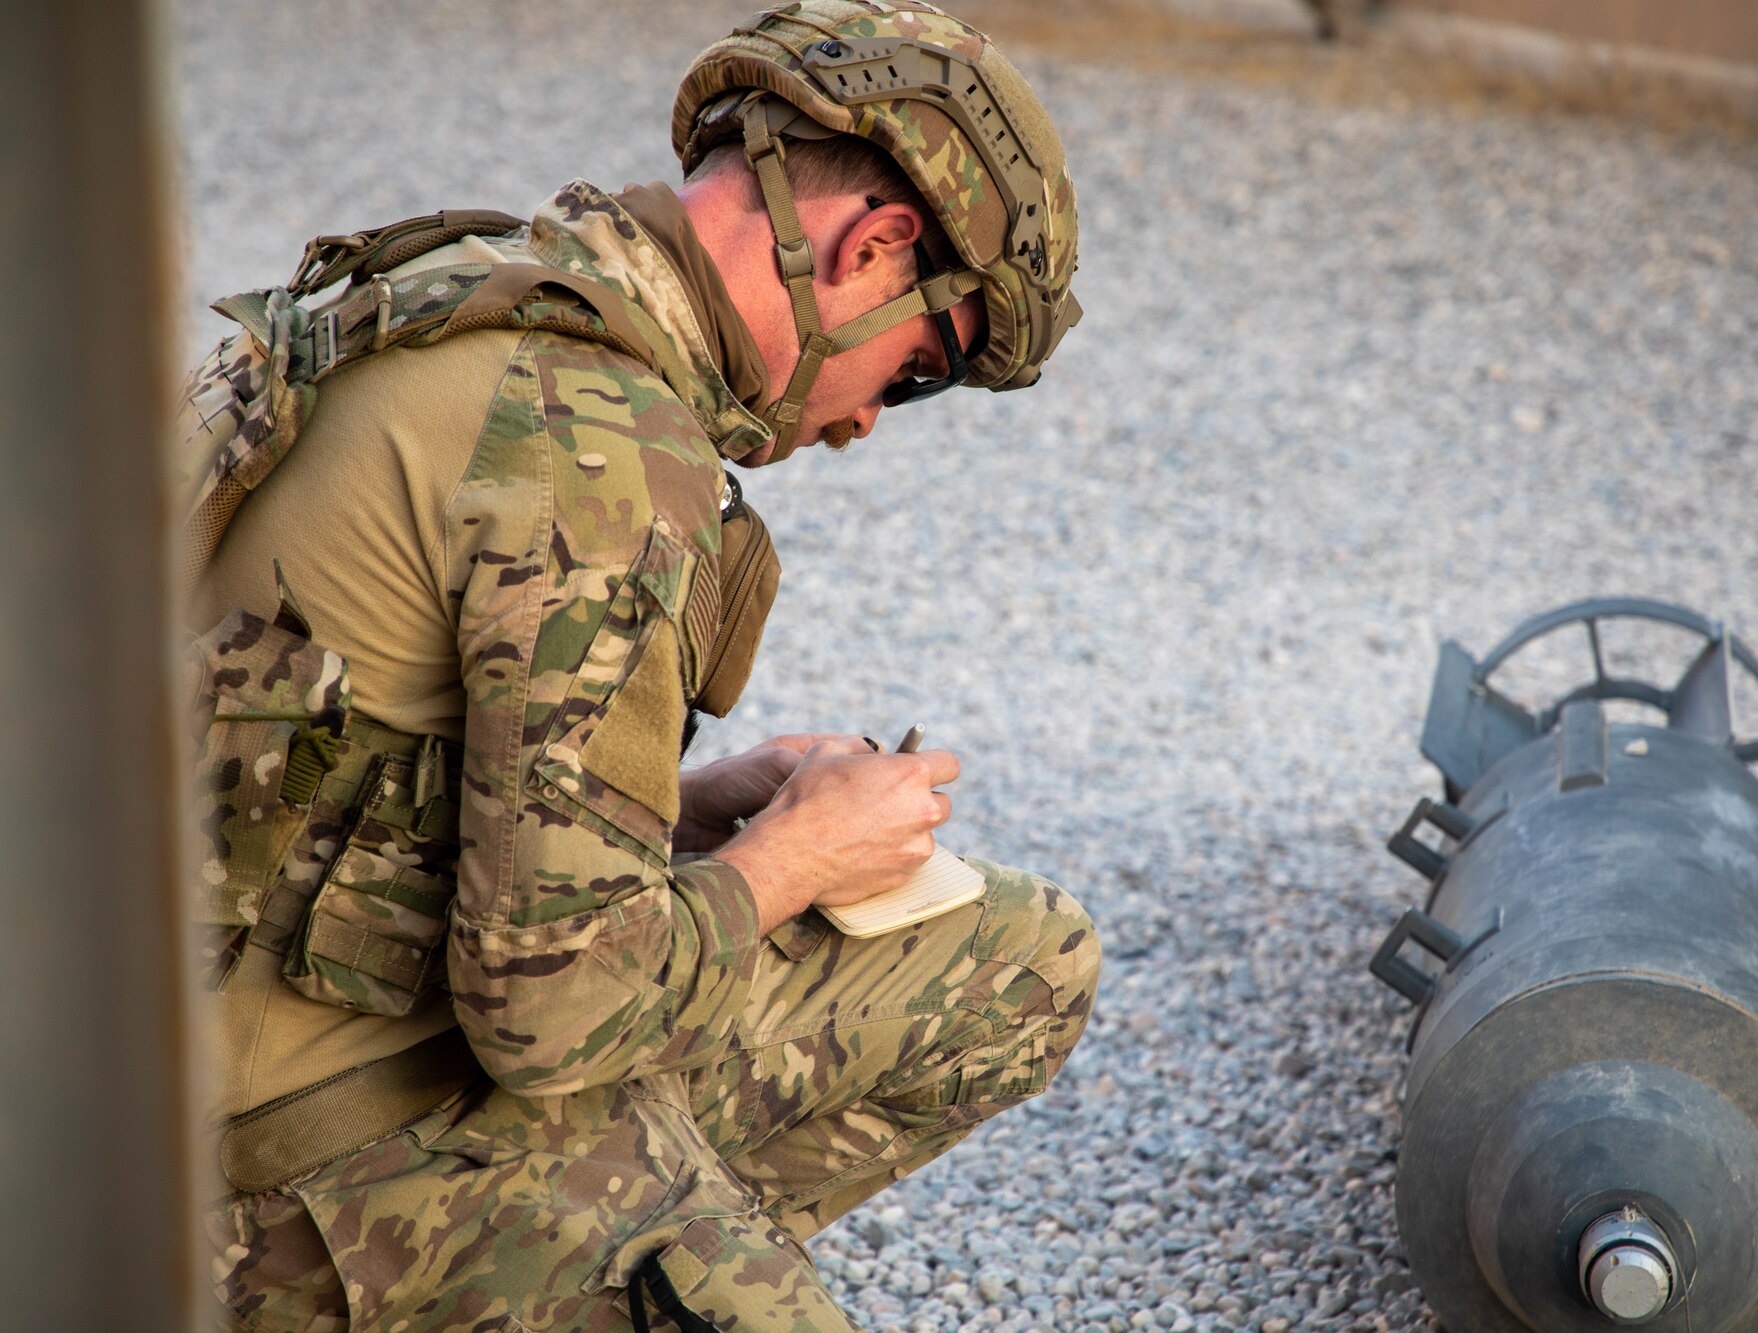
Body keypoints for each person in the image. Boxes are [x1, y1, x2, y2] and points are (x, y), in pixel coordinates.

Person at [183, 3, 1096, 1328]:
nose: (858, 424)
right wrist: (793, 863)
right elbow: (551, 1020)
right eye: (914, 376)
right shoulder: (598, 450)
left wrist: (695, 810)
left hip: (166, 1057)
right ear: (878, 247)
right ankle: (596, 1259)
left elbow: (312, 773)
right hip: (271, 1187)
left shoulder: (444, 298)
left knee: (1021, 955)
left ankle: (623, 1242)